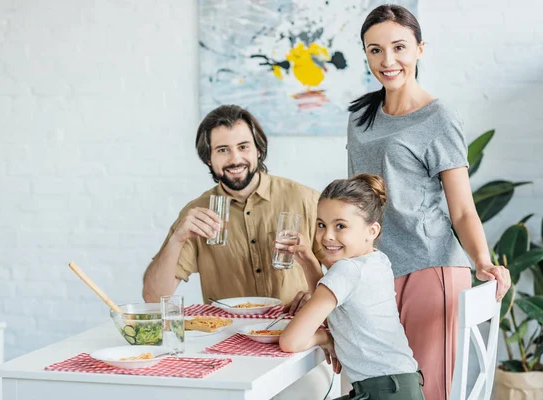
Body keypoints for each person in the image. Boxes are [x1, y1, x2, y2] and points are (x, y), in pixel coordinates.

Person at [345, 5, 511, 399]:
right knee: (377, 388)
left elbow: (463, 209)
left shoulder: (439, 117)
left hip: (429, 268)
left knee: (425, 390)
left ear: (420, 49)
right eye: (375, 50)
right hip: (375, 273)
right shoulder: (359, 118)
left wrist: (483, 261)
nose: (388, 61)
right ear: (366, 54)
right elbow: (354, 204)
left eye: (399, 47)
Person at [142, 104, 330, 400]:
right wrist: (178, 238)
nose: (235, 158)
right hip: (226, 349)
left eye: (243, 146)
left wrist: (319, 294)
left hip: (297, 347)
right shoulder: (197, 213)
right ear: (208, 157)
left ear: (258, 150)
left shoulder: (305, 200)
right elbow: (154, 298)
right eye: (222, 150)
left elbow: (349, 274)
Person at [279, 174, 425, 400]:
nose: (327, 236)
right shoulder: (377, 260)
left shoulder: (347, 271)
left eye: (340, 226)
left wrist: (323, 338)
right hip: (402, 387)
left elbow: (291, 341)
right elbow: (336, 314)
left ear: (372, 231)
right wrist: (309, 262)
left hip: (383, 394)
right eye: (321, 225)